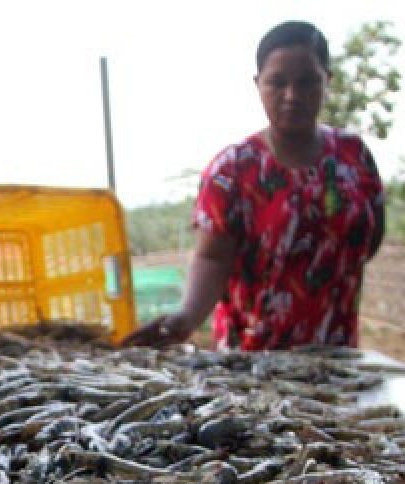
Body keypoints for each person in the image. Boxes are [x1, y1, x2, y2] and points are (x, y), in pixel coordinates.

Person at [123, 20, 385, 351]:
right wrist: (186, 317)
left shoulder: (354, 156)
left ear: (327, 82)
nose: (293, 96)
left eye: (308, 82)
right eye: (277, 82)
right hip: (250, 367)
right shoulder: (232, 170)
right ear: (257, 84)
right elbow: (212, 259)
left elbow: (370, 238)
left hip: (336, 360)